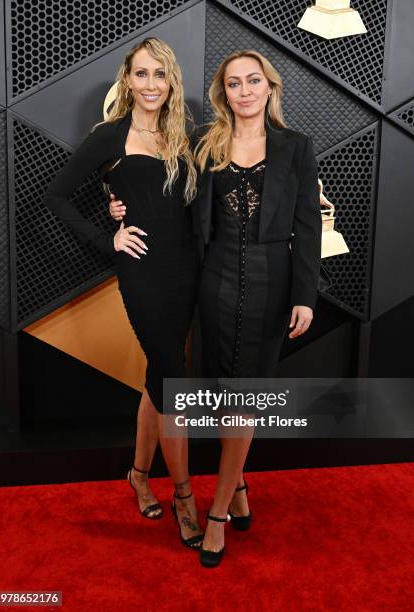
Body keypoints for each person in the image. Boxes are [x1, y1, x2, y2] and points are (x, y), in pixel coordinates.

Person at [109, 49, 322, 567]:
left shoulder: (296, 147)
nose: (244, 91)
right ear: (223, 93)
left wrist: (304, 295)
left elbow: (308, 226)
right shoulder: (206, 144)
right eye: (233, 83)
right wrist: (115, 205)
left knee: (245, 401)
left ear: (270, 87)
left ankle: (220, 514)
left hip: (273, 288)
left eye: (254, 81)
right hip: (212, 284)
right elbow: (159, 188)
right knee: (218, 395)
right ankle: (239, 482)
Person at [43, 37, 204, 549]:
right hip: (142, 271)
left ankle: (138, 473)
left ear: (170, 80)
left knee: (160, 374)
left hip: (188, 270)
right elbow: (56, 195)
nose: (151, 84)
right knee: (173, 380)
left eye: (160, 74)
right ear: (127, 80)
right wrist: (106, 235)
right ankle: (183, 495)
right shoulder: (109, 136)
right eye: (142, 74)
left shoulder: (186, 133)